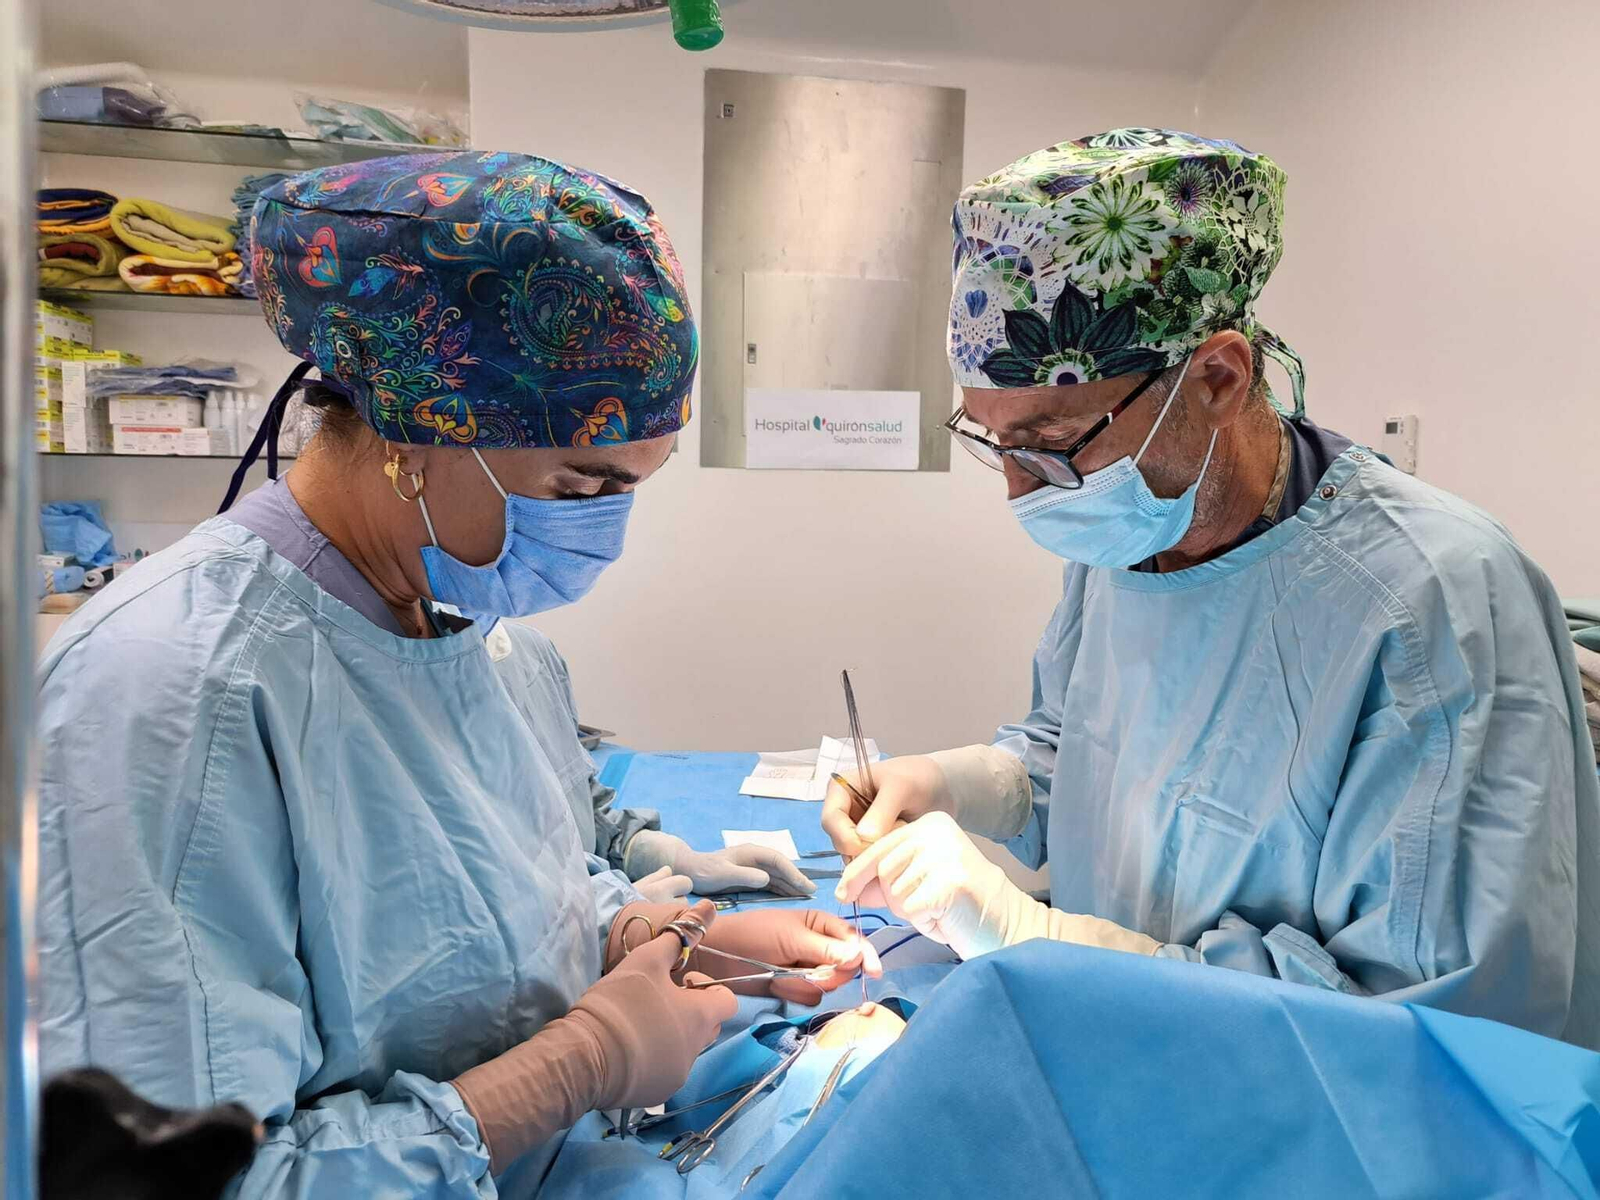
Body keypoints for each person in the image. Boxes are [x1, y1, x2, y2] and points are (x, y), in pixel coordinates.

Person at [37, 149, 878, 1198]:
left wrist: (655, 935)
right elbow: (188, 1185)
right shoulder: (170, 695)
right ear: (414, 434)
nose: (604, 531)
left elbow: (499, 890)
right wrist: (581, 1063)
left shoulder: (487, 638)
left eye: (631, 488)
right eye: (582, 481)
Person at [828, 128, 1600, 1048]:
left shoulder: (1434, 605)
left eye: (1051, 443)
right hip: (1111, 1050)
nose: (1019, 491)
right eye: (993, 442)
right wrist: (957, 785)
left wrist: (1036, 935)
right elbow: (1076, 753)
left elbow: (1430, 1033)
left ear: (1218, 378)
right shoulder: (1128, 536)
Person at [508, 624, 813, 902]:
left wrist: (665, 857)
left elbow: (579, 819)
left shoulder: (527, 654)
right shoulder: (462, 701)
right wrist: (606, 920)